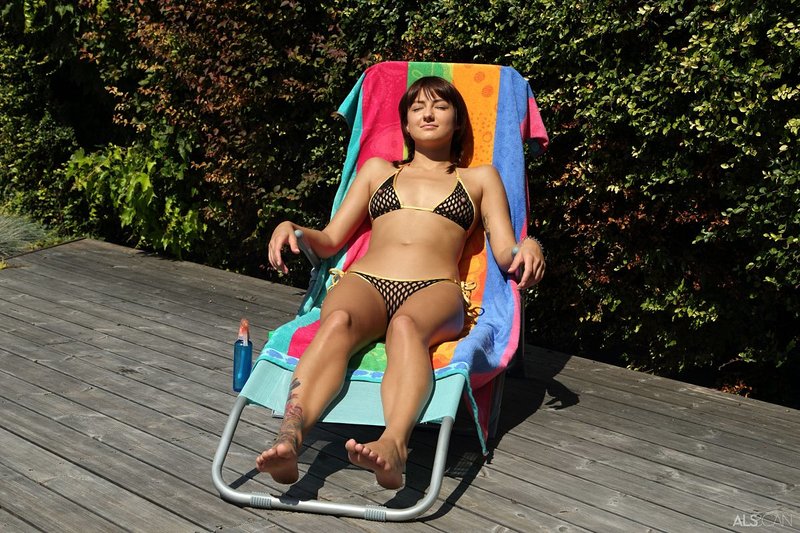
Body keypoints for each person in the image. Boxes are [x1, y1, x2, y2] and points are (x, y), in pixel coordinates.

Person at [257, 76, 545, 489]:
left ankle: (394, 445)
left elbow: (505, 252)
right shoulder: (377, 170)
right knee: (336, 321)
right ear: (406, 125)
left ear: (458, 122)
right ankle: (290, 438)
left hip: (435, 289)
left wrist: (530, 245)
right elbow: (332, 238)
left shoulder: (480, 179)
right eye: (417, 108)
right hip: (367, 280)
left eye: (440, 107)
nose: (428, 114)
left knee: (406, 328)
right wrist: (294, 228)